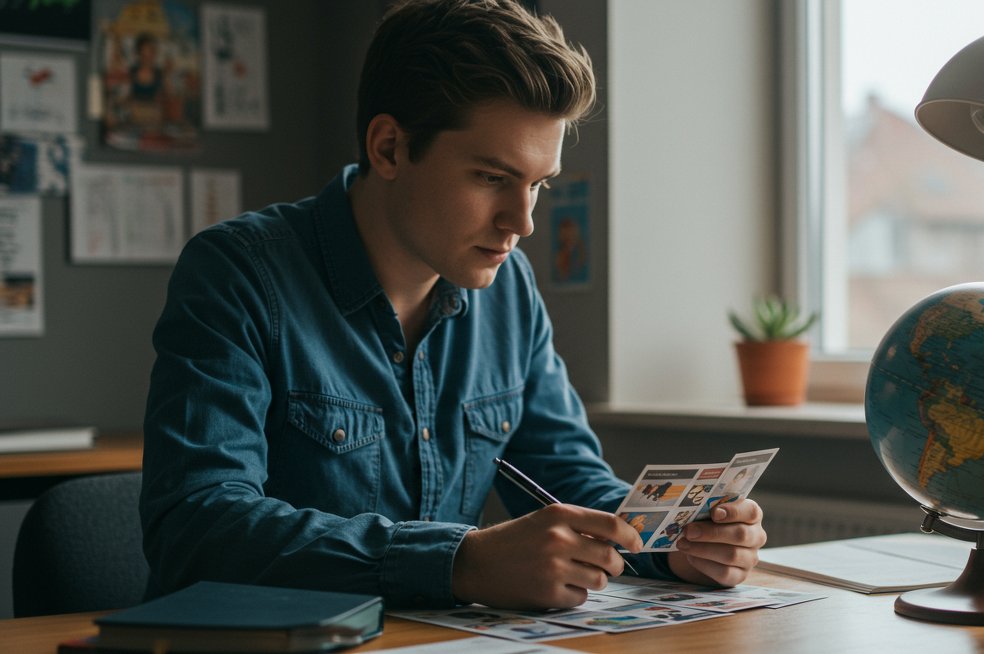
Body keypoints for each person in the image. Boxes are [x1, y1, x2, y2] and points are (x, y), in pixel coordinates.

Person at [140, 0, 766, 611]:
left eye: (538, 185)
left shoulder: (509, 287)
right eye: (492, 178)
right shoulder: (239, 273)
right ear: (388, 148)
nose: (521, 222)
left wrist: (672, 545)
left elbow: (565, 478)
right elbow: (196, 529)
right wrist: (458, 562)